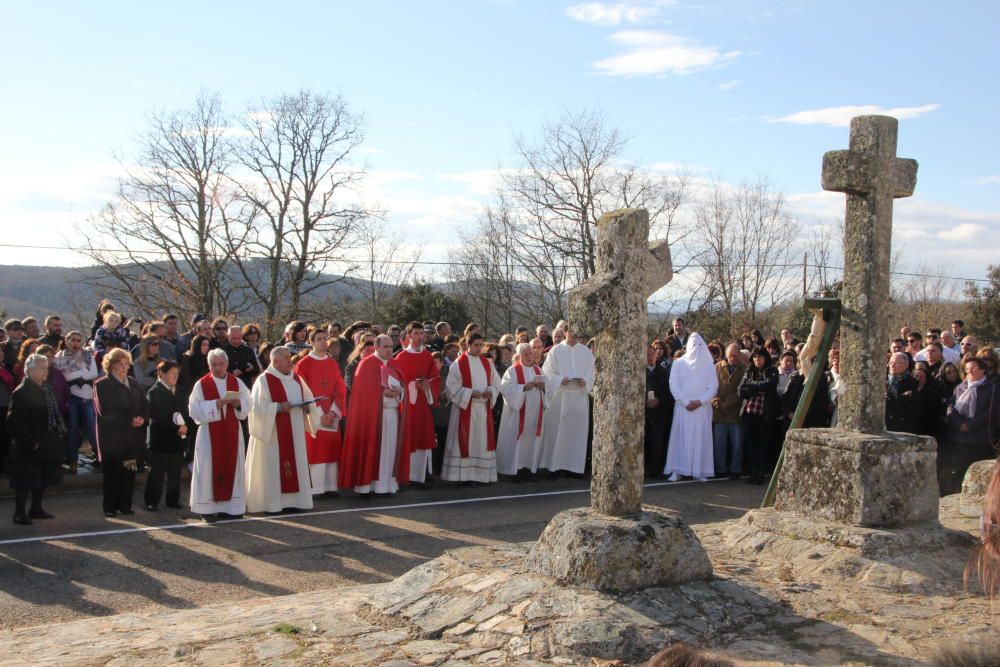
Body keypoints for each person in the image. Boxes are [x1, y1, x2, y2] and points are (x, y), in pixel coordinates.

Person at [246, 346, 322, 513]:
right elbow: (256, 409)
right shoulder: (264, 380)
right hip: (273, 434)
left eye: (290, 357)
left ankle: (296, 502)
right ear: (275, 361)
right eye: (287, 358)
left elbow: (308, 398)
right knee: (274, 466)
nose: (290, 361)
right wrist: (279, 407)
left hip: (294, 431)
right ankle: (273, 504)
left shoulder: (296, 378)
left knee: (296, 462)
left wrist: (308, 407)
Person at [188, 348, 252, 522]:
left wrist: (238, 403)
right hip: (209, 434)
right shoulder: (201, 385)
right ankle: (207, 509)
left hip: (232, 430)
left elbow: (249, 403)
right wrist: (216, 404)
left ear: (227, 364)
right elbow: (193, 410)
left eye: (221, 364)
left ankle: (232, 507)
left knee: (234, 465)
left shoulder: (237, 382)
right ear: (209, 365)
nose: (217, 368)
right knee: (208, 468)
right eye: (213, 364)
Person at [339, 334, 408, 495]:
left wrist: (400, 391)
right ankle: (367, 486)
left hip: (392, 415)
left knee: (390, 450)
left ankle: (389, 485)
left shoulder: (395, 363)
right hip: (373, 417)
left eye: (391, 346)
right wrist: (384, 393)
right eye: (385, 346)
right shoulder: (366, 364)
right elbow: (363, 395)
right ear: (376, 347)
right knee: (373, 450)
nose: (389, 350)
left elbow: (403, 387)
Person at [6, 353, 64, 525]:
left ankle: (36, 508)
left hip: (47, 442)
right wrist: (30, 442)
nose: (46, 371)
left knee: (42, 478)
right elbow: (14, 422)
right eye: (41, 368)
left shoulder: (47, 389)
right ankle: (19, 512)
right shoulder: (22, 392)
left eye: (46, 368)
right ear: (29, 371)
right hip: (29, 445)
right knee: (24, 481)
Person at [93, 348, 149, 517]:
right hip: (113, 438)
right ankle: (110, 507)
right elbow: (106, 411)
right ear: (110, 366)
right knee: (113, 474)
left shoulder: (132, 382)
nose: (124, 368)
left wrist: (142, 419)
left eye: (126, 364)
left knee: (129, 472)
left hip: (132, 437)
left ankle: (125, 505)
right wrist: (128, 421)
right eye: (119, 364)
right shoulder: (102, 384)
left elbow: (144, 404)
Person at [441, 333, 501, 485]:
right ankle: (461, 477)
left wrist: (491, 392)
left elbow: (497, 383)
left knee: (480, 442)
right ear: (468, 344)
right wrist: (469, 393)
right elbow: (451, 388)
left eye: (481, 345)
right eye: (476, 345)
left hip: (482, 410)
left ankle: (480, 475)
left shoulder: (487, 363)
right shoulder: (458, 364)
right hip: (464, 410)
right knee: (465, 441)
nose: (479, 348)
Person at [294, 329, 347, 496]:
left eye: (325, 338)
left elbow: (340, 389)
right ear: (311, 342)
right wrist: (319, 414)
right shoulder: (304, 364)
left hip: (331, 413)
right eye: (319, 339)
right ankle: (315, 488)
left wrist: (332, 413)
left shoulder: (332, 363)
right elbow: (302, 390)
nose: (323, 342)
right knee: (315, 449)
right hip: (314, 414)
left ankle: (331, 486)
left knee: (331, 449)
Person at [538, 323, 595, 479]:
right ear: (565, 332)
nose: (574, 334)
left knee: (576, 434)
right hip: (560, 396)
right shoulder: (555, 350)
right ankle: (555, 467)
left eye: (577, 332)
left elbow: (592, 373)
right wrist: (559, 380)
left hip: (579, 397)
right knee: (558, 432)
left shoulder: (586, 352)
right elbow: (547, 373)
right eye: (571, 331)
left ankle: (574, 468)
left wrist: (586, 380)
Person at [392, 322, 441, 488]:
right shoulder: (401, 358)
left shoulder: (427, 356)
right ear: (409, 336)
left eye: (422, 333)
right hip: (408, 406)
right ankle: (408, 475)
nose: (420, 336)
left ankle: (421, 475)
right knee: (410, 438)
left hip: (423, 404)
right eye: (416, 333)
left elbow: (435, 378)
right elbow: (397, 383)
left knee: (423, 436)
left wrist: (427, 386)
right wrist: (413, 385)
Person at [940, 358, 999, 495]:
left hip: (980, 439)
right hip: (959, 437)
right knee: (960, 470)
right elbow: (950, 407)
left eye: (973, 368)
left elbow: (990, 412)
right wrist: (959, 424)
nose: (969, 372)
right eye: (967, 369)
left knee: (979, 474)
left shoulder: (992, 388)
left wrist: (970, 425)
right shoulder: (960, 387)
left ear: (983, 369)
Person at [665, 334, 719, 482]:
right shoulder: (678, 363)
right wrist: (685, 401)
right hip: (683, 408)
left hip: (701, 409)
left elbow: (713, 386)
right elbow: (673, 385)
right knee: (680, 439)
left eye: (699, 345)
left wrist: (700, 401)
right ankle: (677, 469)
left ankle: (699, 470)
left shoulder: (709, 365)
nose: (696, 349)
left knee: (701, 439)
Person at [144, 361, 190, 511]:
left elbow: (186, 412)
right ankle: (152, 500)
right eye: (172, 373)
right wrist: (176, 427)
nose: (175, 376)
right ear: (162, 374)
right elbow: (158, 416)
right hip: (160, 439)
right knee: (157, 472)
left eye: (177, 373)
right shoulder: (154, 392)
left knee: (175, 472)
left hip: (177, 439)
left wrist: (185, 426)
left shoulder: (181, 391)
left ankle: (173, 499)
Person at [496, 342, 546, 481]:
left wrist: (543, 387)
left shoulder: (538, 370)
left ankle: (529, 469)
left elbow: (547, 390)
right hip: (517, 414)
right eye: (526, 354)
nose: (530, 356)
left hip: (534, 412)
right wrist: (523, 387)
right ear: (519, 356)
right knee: (517, 440)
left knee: (531, 440)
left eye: (531, 353)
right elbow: (505, 388)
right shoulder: (512, 371)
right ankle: (514, 471)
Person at [54, 331, 100, 474]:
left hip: (88, 397)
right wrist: (82, 372)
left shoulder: (87, 355)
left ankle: (99, 457)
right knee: (72, 430)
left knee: (92, 428)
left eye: (78, 340)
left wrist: (75, 374)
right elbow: (64, 377)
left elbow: (93, 373)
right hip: (72, 398)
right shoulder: (59, 357)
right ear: (66, 341)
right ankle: (72, 460)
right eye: (72, 340)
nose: (75, 343)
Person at [738, 347, 779, 485]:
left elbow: (770, 385)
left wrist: (752, 386)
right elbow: (741, 390)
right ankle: (752, 471)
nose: (757, 360)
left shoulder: (772, 370)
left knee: (762, 444)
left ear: (765, 358)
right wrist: (757, 389)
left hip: (764, 413)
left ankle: (761, 472)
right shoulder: (749, 371)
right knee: (751, 444)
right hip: (750, 412)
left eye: (759, 357)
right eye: (755, 357)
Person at [712, 343, 746, 480]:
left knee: (737, 443)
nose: (732, 359)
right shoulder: (717, 367)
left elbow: (742, 390)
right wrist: (718, 403)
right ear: (726, 355)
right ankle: (720, 469)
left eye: (735, 356)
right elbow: (711, 387)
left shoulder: (744, 369)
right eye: (730, 356)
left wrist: (728, 403)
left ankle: (735, 469)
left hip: (735, 412)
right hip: (719, 412)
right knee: (719, 443)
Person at [644, 343, 671, 479]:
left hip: (659, 414)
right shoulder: (638, 372)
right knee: (644, 442)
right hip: (643, 414)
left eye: (651, 354)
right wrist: (644, 402)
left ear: (656, 355)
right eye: (647, 355)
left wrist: (659, 400)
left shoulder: (664, 372)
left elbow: (669, 393)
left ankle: (656, 469)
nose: (649, 357)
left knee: (658, 442)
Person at [885, 352, 920, 433]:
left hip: (903, 425)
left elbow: (906, 402)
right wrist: (898, 398)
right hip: (886, 424)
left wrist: (889, 399)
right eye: (890, 363)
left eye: (895, 363)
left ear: (905, 365)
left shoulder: (912, 382)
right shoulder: (883, 380)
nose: (892, 365)